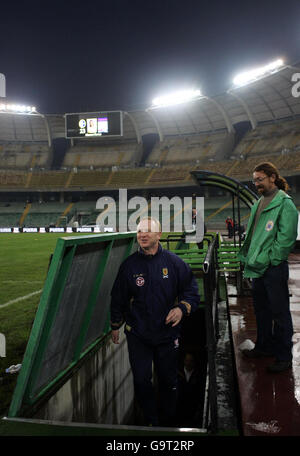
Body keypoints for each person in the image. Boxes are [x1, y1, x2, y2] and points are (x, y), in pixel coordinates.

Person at [110, 216, 200, 426]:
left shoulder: (175, 263)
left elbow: (191, 292)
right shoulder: (128, 266)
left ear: (159, 235)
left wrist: (181, 308)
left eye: (148, 231)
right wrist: (115, 325)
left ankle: (169, 420)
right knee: (141, 381)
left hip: (167, 335)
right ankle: (151, 421)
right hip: (138, 334)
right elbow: (118, 298)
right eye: (140, 231)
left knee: (169, 381)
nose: (142, 234)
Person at [238, 162, 298, 373]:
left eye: (260, 179)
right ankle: (264, 347)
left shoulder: (285, 203)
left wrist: (273, 260)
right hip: (257, 267)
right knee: (262, 311)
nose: (256, 184)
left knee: (280, 313)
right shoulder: (259, 202)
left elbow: (287, 238)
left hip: (272, 268)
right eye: (254, 180)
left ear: (273, 177)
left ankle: (283, 356)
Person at [176, 352, 203, 427]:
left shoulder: (199, 375)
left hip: (192, 409)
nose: (188, 363)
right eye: (187, 360)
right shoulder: (177, 373)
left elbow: (200, 393)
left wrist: (198, 410)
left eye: (191, 361)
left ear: (194, 362)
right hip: (178, 409)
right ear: (184, 361)